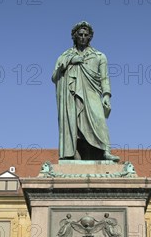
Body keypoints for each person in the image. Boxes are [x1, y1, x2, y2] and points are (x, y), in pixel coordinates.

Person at [51, 21, 120, 161]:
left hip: (92, 93)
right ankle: (72, 154)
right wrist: (69, 61)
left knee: (99, 120)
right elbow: (54, 77)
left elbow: (105, 78)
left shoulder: (99, 56)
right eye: (80, 35)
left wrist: (106, 95)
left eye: (86, 35)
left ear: (90, 37)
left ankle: (105, 151)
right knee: (73, 126)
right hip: (71, 96)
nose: (83, 37)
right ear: (75, 37)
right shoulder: (64, 56)